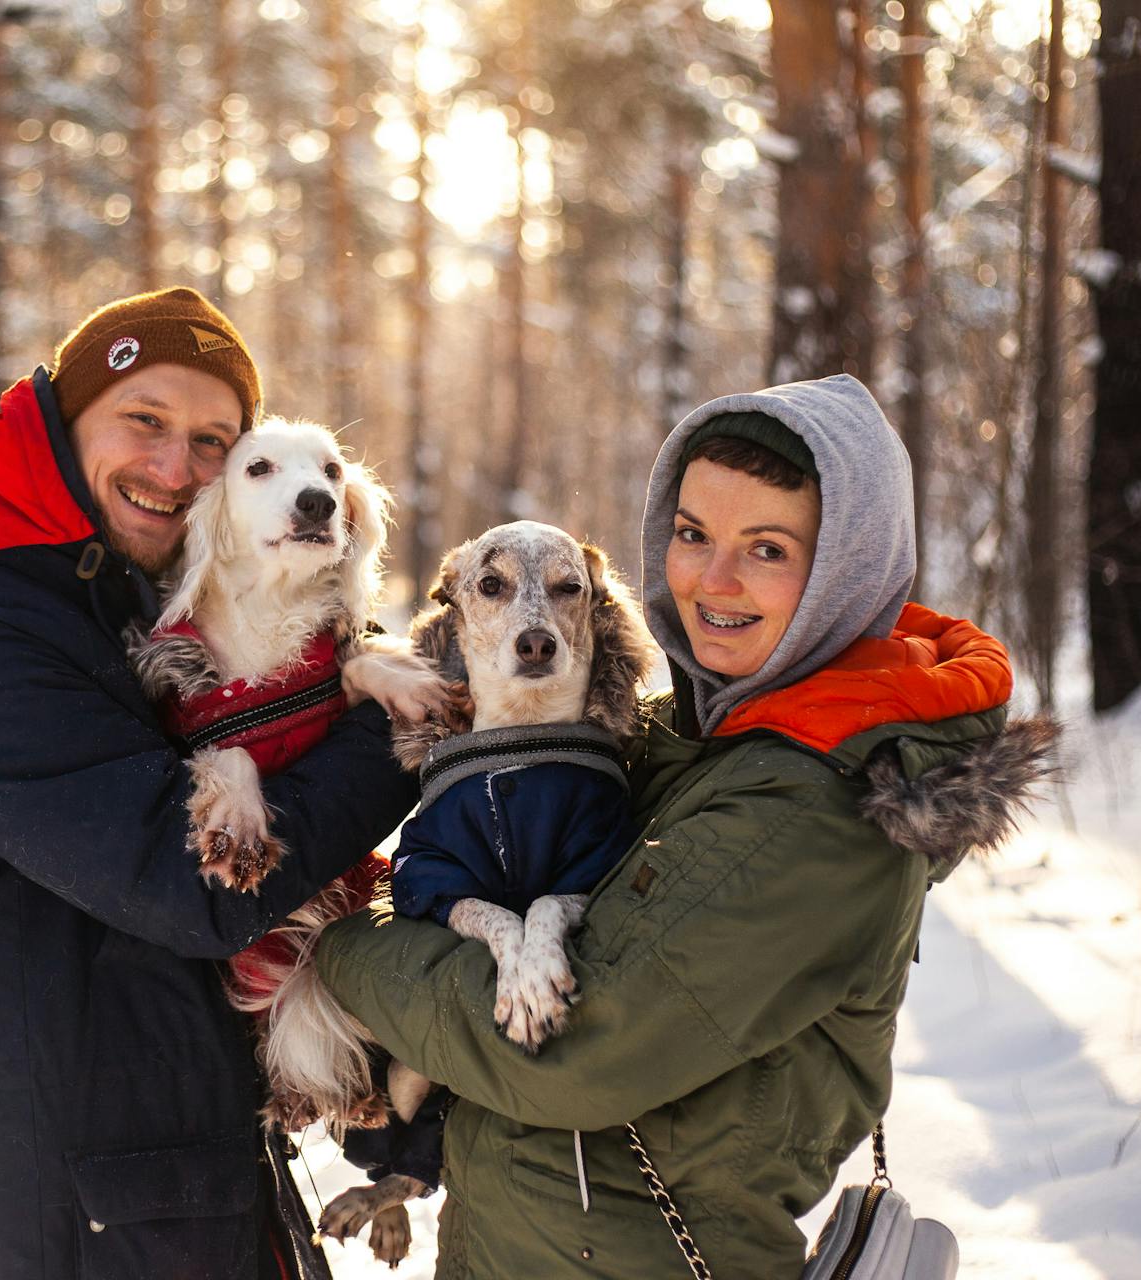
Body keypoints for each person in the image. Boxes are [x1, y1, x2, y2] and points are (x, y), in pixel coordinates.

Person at [313, 373, 1054, 1278]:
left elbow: (570, 1057)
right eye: (694, 534)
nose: (715, 579)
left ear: (845, 569)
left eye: (769, 549)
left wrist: (345, 951)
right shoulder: (693, 732)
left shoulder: (810, 808)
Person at [0, 287, 419, 1279]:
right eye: (145, 421)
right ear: (62, 421)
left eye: (214, 439)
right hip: (55, 1234)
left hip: (196, 1195)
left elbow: (290, 689)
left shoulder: (140, 603)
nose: (174, 467)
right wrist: (404, 729)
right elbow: (199, 881)